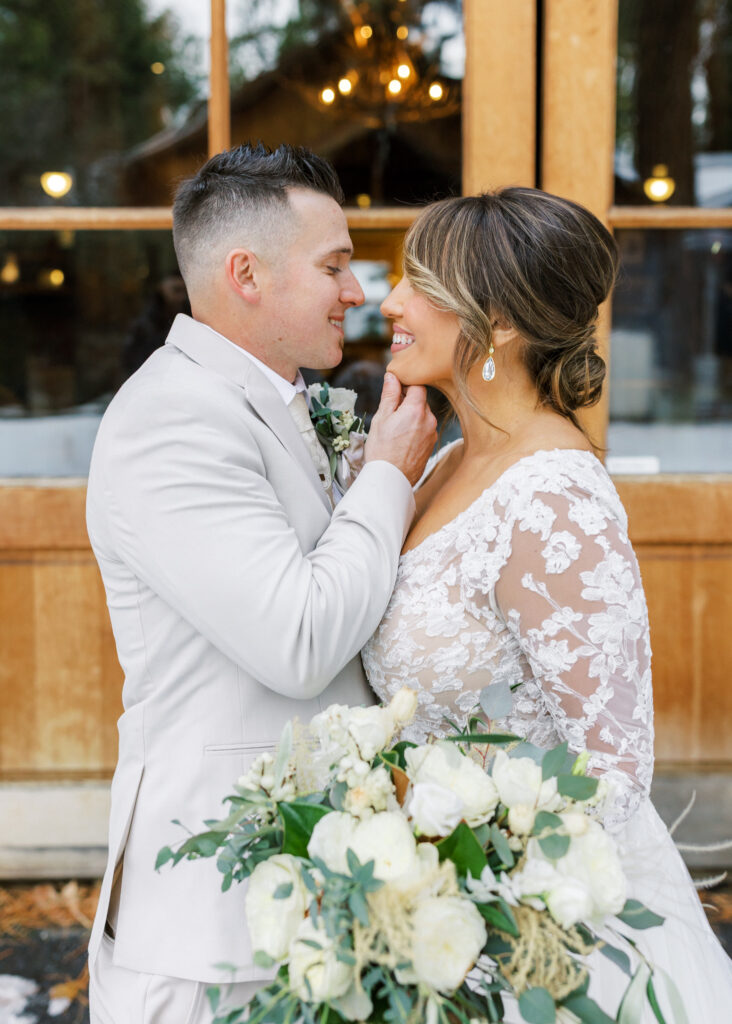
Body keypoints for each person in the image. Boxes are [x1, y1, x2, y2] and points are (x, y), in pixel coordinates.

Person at [85, 143, 436, 1023]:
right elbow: (300, 638)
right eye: (334, 265)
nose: (356, 291)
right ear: (245, 273)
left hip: (306, 894)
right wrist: (387, 475)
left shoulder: (276, 400)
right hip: (211, 921)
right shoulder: (170, 422)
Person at [362, 188, 732, 1019]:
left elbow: (612, 775)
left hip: (537, 932)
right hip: (427, 913)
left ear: (497, 325)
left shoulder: (555, 499)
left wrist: (464, 868)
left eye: (419, 284)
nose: (390, 302)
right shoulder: (444, 464)